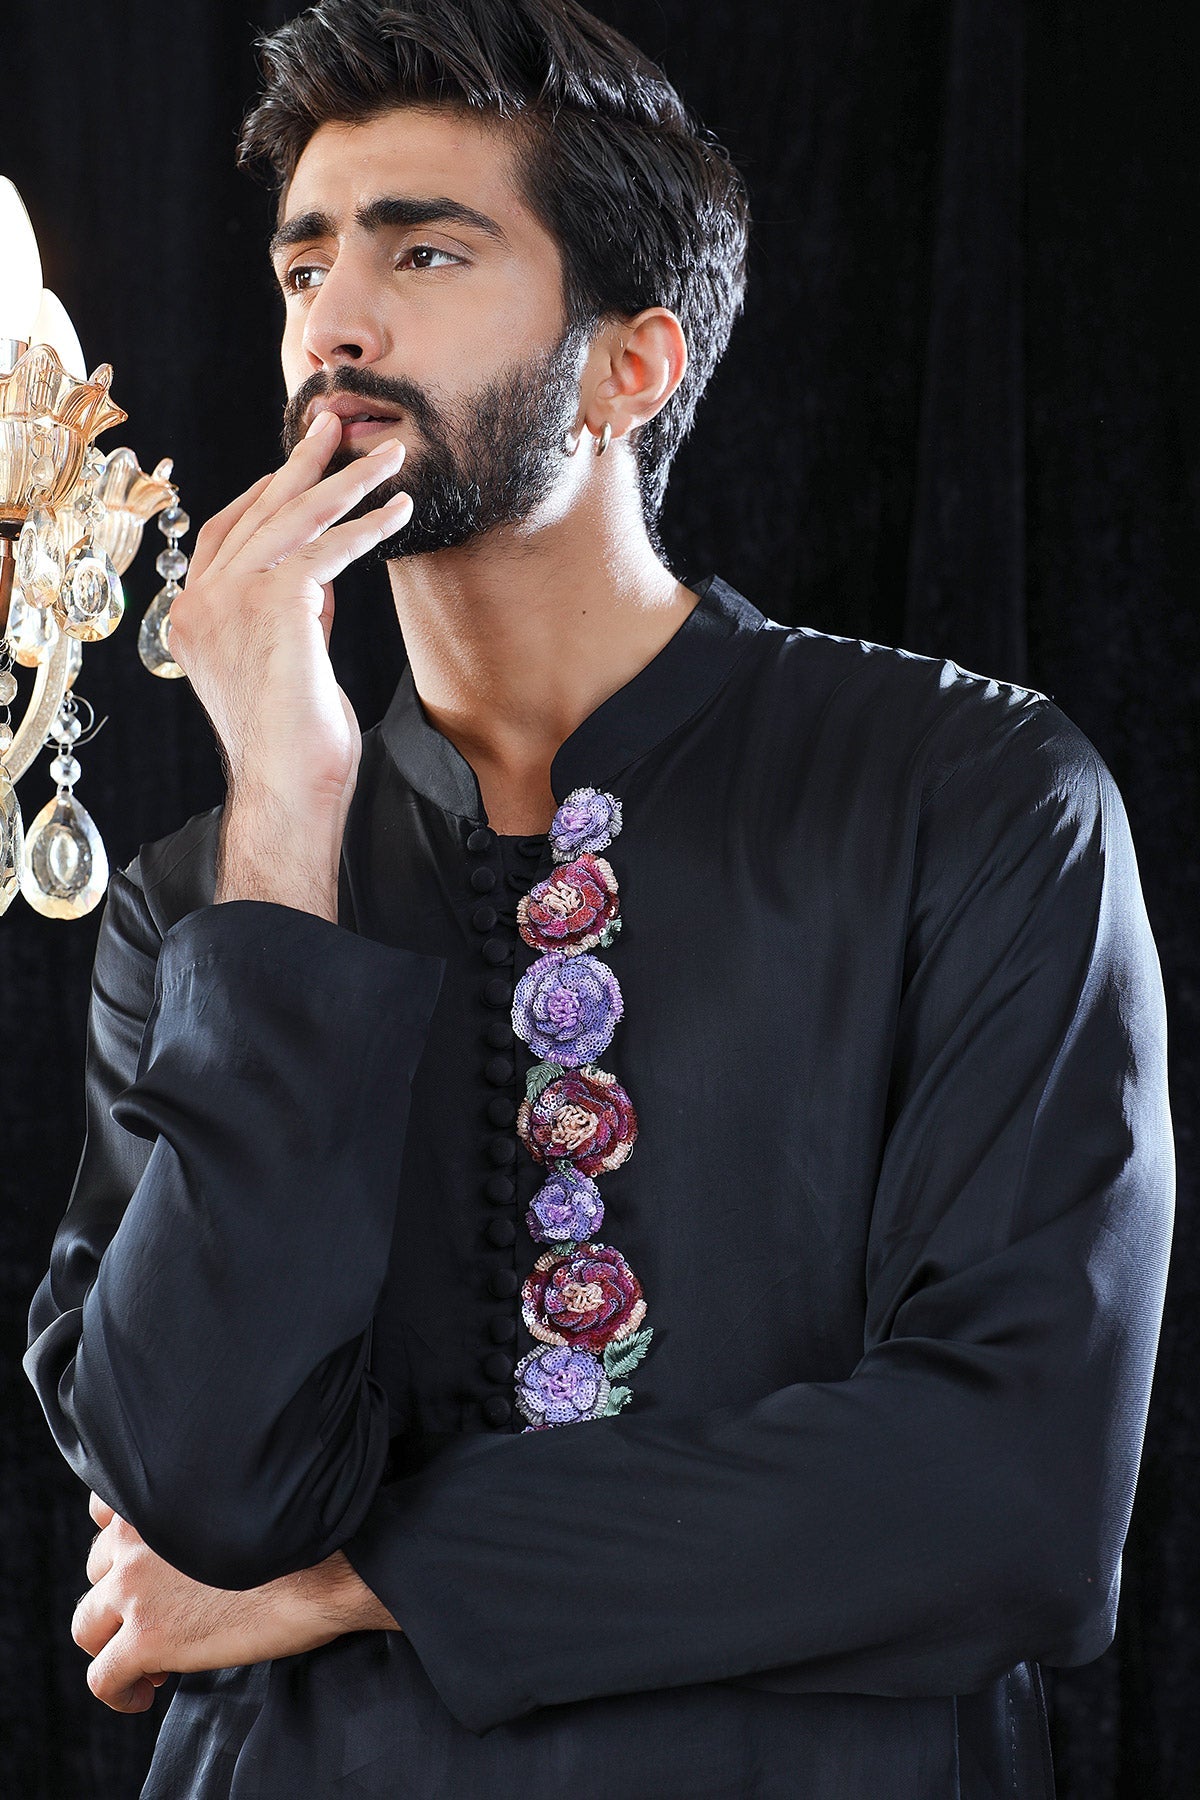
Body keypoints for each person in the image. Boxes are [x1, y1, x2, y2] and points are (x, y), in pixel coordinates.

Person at [24, 2, 1174, 1796]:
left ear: (629, 366)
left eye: (424, 251)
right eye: (306, 264)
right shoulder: (207, 904)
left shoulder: (968, 798)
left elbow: (1010, 1496)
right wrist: (291, 813)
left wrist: (348, 1583)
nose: (334, 323)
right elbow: (201, 1492)